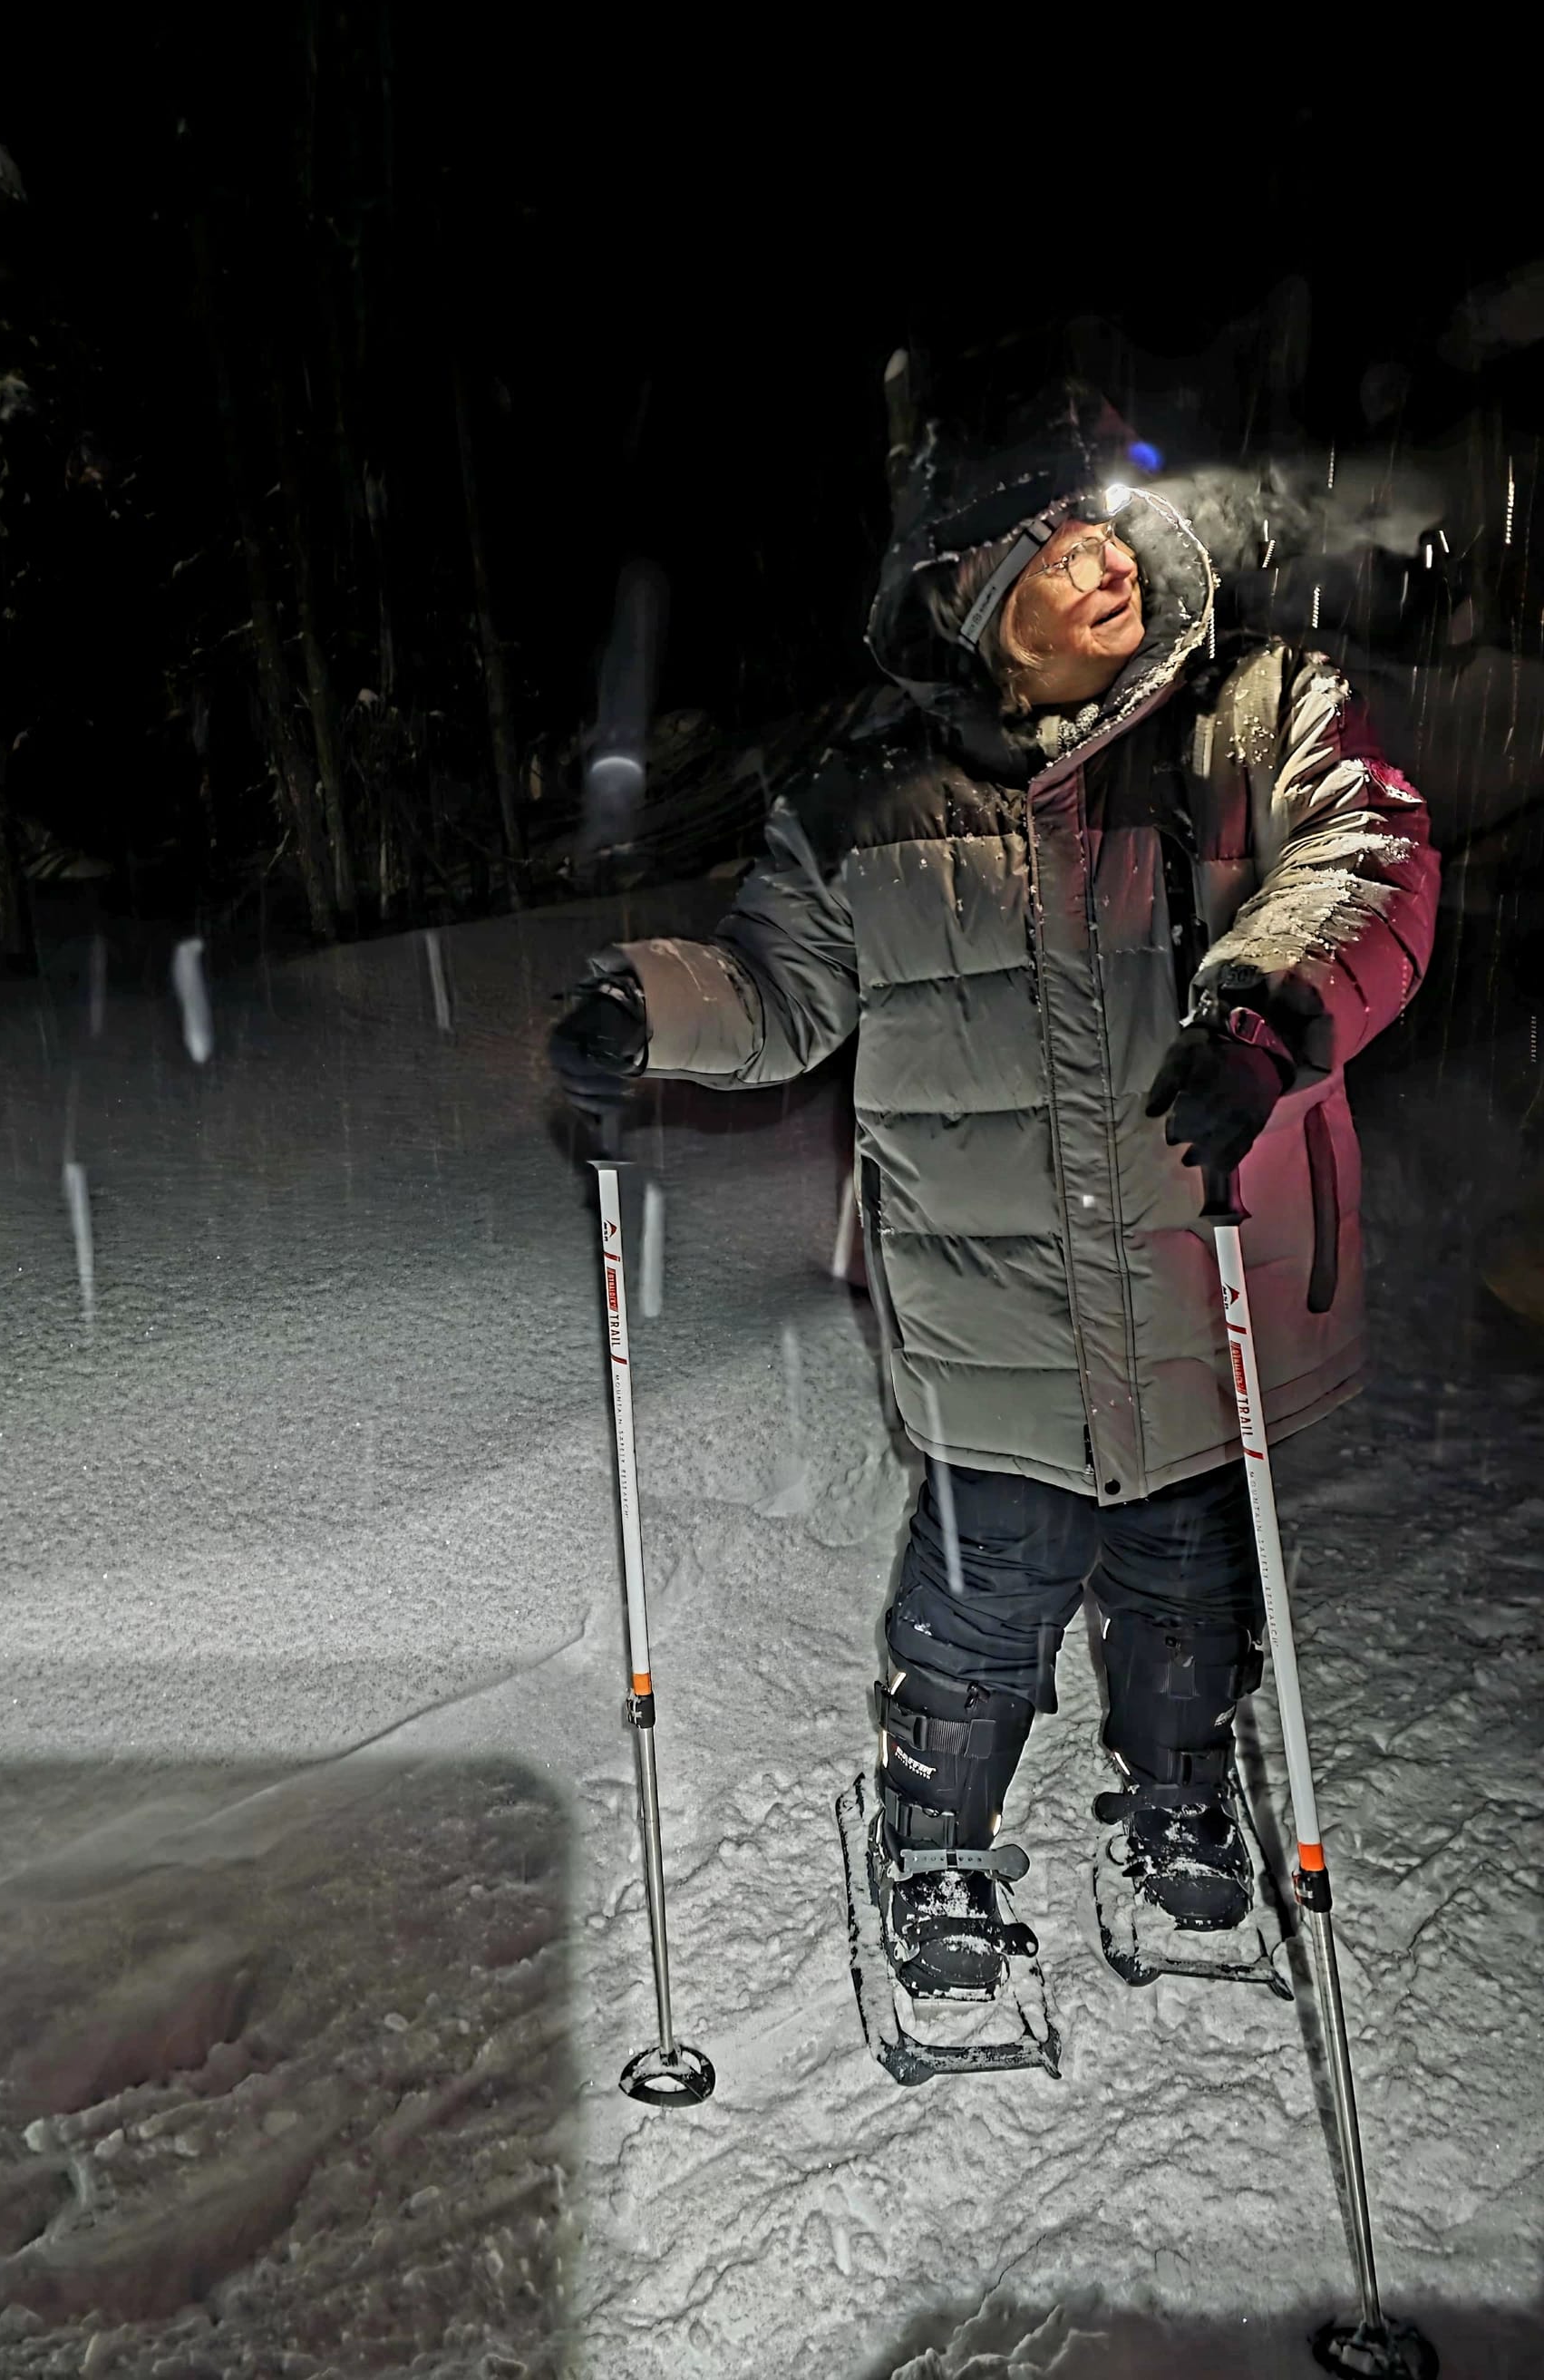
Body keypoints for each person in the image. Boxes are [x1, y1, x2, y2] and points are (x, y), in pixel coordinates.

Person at [549, 385, 1439, 2034]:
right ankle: (936, 1838)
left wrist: (1267, 1006)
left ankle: (1179, 1795)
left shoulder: (1246, 718)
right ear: (971, 598)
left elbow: (1364, 853)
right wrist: (640, 1008)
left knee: (1190, 1583)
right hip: (989, 1321)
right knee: (984, 1601)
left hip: (1196, 1277)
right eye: (1055, 544)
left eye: (1108, 526)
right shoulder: (864, 809)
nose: (1107, 558)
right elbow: (770, 991)